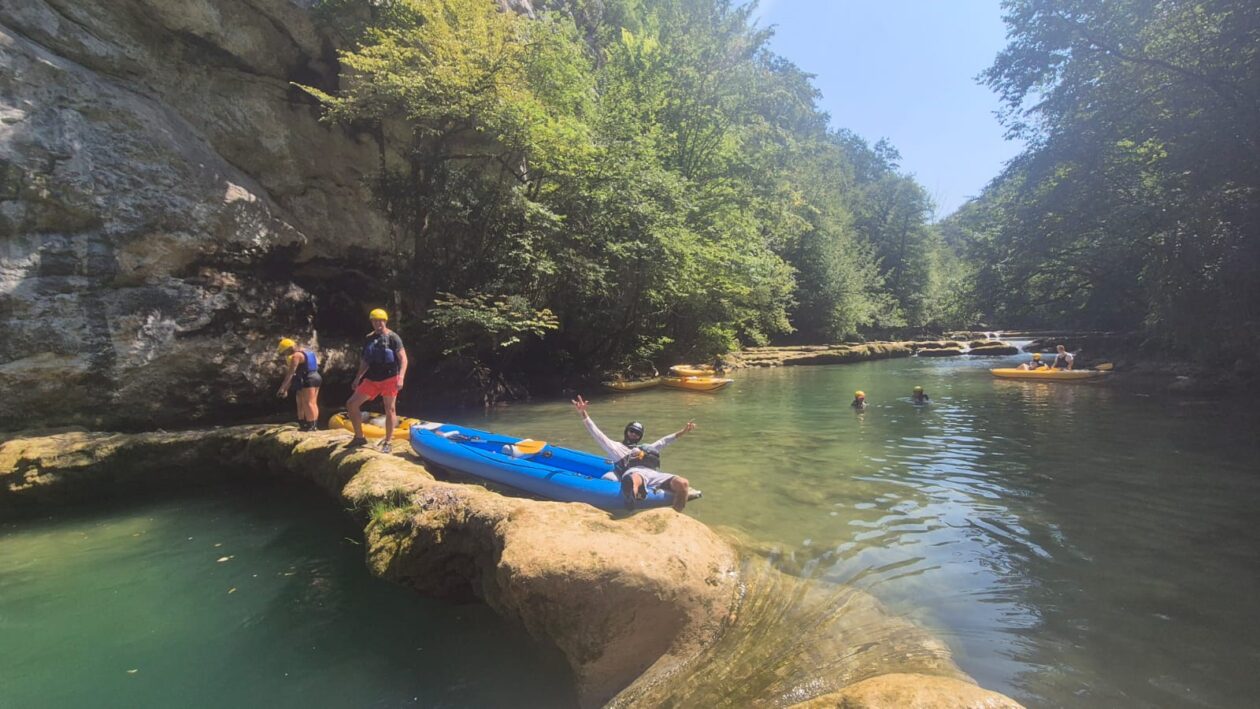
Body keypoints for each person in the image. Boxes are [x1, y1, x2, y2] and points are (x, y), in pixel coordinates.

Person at [571, 395, 695, 511]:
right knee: (624, 477)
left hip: (651, 474)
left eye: (637, 433)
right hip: (631, 473)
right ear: (626, 431)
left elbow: (664, 441)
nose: (634, 434)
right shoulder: (615, 447)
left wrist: (683, 431)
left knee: (683, 483)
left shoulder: (645, 449)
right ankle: (632, 495)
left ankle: (677, 516)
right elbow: (596, 433)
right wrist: (583, 413)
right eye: (632, 431)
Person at [346, 308, 408, 452]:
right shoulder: (369, 338)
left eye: (380, 320)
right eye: (374, 320)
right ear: (372, 322)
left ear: (385, 321)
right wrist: (358, 377)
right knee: (351, 404)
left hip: (390, 378)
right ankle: (359, 437)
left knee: (390, 409)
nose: (377, 323)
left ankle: (388, 441)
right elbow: (365, 361)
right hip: (372, 379)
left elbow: (403, 359)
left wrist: (401, 378)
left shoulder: (393, 337)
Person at [275, 338, 321, 431]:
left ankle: (311, 426)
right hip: (316, 376)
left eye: (285, 352)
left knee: (308, 403)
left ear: (289, 349)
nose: (285, 354)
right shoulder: (306, 351)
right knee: (313, 403)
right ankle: (313, 424)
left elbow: (291, 373)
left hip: (308, 379)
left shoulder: (296, 356)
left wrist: (282, 388)